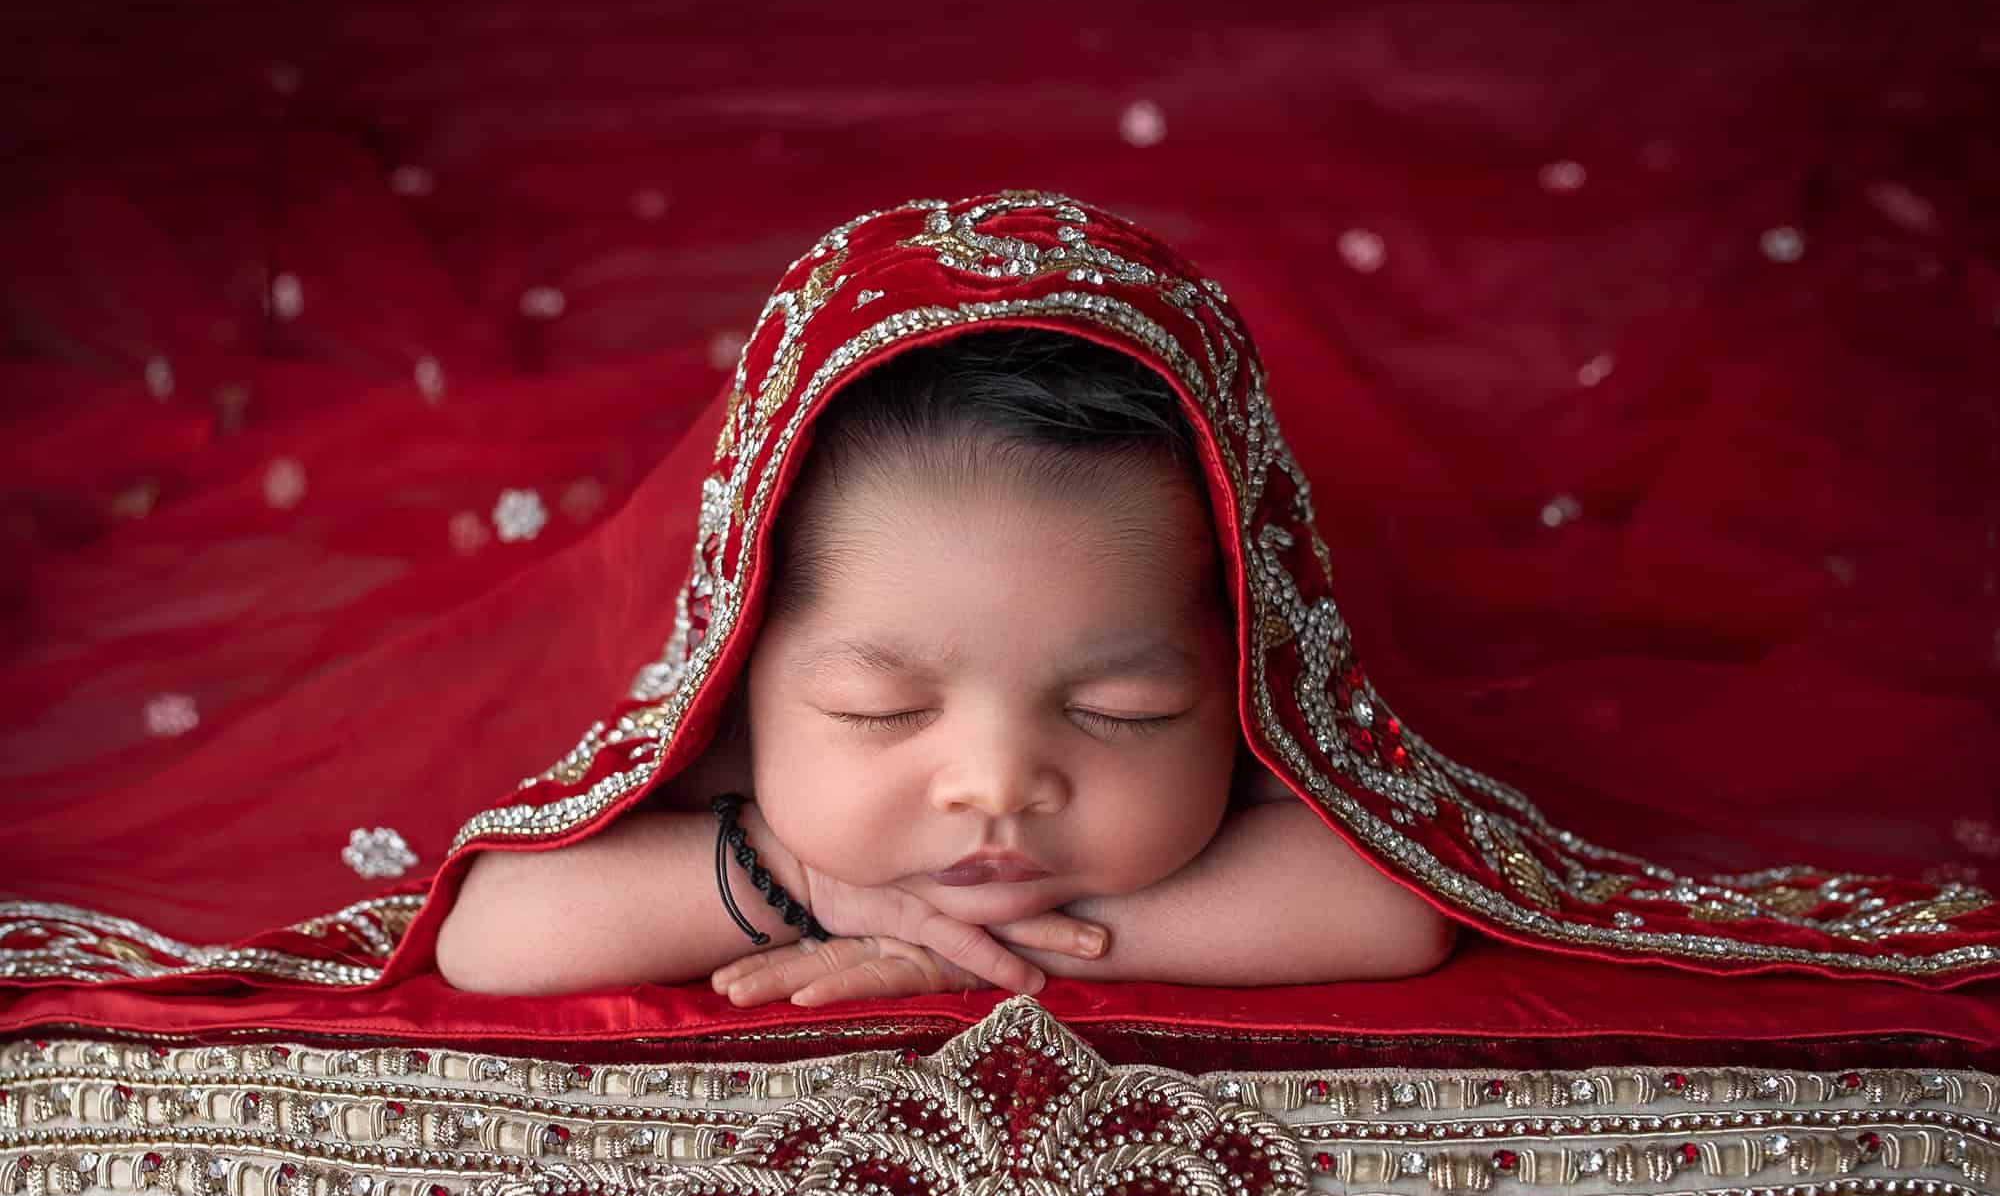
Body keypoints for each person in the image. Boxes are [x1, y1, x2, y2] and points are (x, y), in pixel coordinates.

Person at [436, 329, 1459, 1003]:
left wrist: (961, 949)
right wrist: (799, 882)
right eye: (878, 709)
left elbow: (1389, 905)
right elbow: (489, 938)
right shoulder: (726, 758)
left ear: (1239, 677)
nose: (998, 782)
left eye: (1122, 709)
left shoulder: (1255, 732)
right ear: (737, 675)